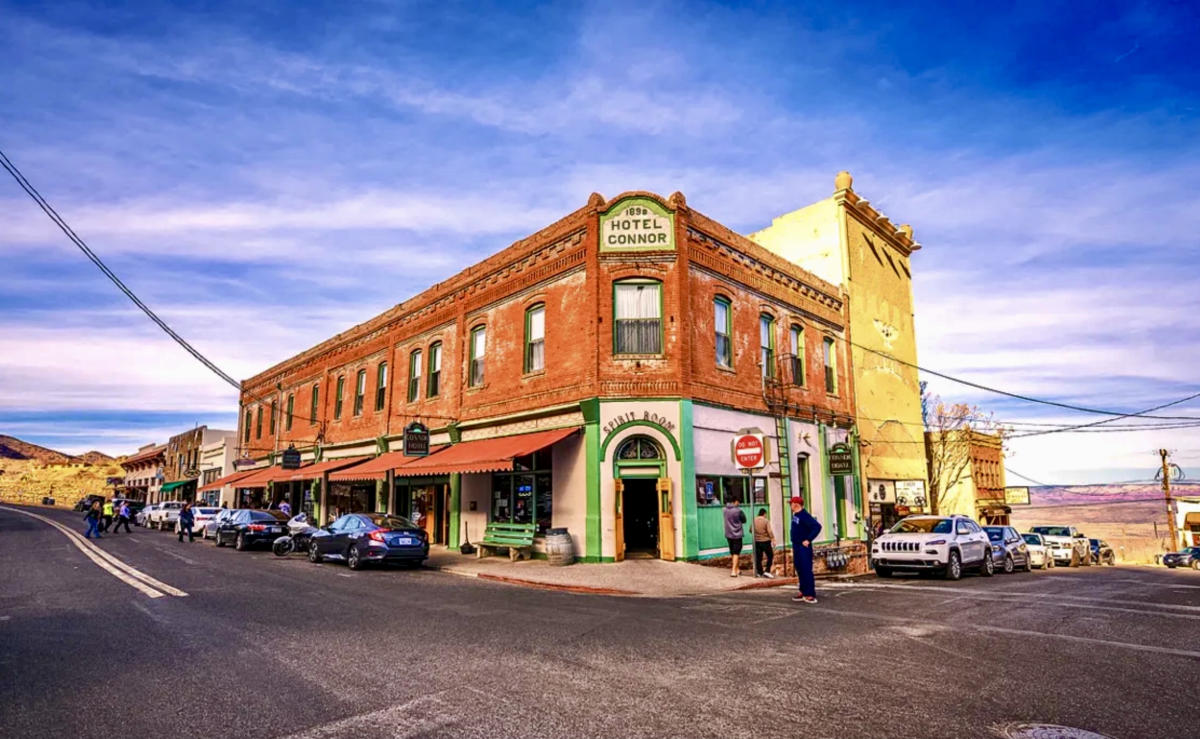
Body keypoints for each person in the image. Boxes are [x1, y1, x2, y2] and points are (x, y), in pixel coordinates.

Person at [789, 496, 822, 603]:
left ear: (796, 504)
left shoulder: (804, 515)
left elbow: (817, 527)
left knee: (806, 568)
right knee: (799, 568)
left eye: (791, 503)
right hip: (796, 545)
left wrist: (808, 539)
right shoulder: (796, 516)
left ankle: (810, 593)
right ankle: (803, 590)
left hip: (803, 547)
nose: (790, 505)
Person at [723, 496, 747, 577]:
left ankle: (737, 569)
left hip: (728, 534)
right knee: (736, 552)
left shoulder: (724, 510)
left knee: (733, 552)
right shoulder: (738, 511)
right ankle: (733, 571)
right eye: (738, 502)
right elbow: (744, 520)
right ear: (735, 501)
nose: (739, 504)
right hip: (737, 535)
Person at [753, 508, 775, 578]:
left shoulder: (754, 520)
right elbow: (769, 531)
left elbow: (751, 530)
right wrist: (773, 539)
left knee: (758, 557)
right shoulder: (766, 521)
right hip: (765, 541)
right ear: (764, 514)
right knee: (770, 555)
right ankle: (767, 571)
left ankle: (760, 572)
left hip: (757, 541)